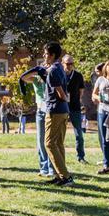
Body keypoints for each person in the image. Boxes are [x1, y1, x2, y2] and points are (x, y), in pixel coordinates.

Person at [42, 43, 74, 186]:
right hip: (63, 110)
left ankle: (65, 176)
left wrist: (64, 99)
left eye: (46, 53)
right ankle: (59, 176)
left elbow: (60, 93)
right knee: (58, 143)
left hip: (55, 110)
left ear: (52, 55)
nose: (44, 56)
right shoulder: (59, 67)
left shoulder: (53, 70)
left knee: (49, 143)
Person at [19, 62, 54, 177]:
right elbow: (24, 78)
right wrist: (36, 72)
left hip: (50, 111)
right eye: (42, 68)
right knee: (41, 140)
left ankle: (51, 168)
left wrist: (47, 74)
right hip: (40, 112)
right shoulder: (35, 80)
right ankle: (44, 168)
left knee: (50, 140)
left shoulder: (50, 78)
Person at [61, 54, 87, 164]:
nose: (70, 66)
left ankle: (81, 157)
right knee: (60, 134)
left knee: (79, 134)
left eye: (72, 63)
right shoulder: (59, 74)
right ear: (63, 63)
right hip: (61, 107)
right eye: (67, 63)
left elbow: (81, 91)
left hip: (75, 107)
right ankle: (60, 158)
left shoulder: (78, 75)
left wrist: (76, 100)